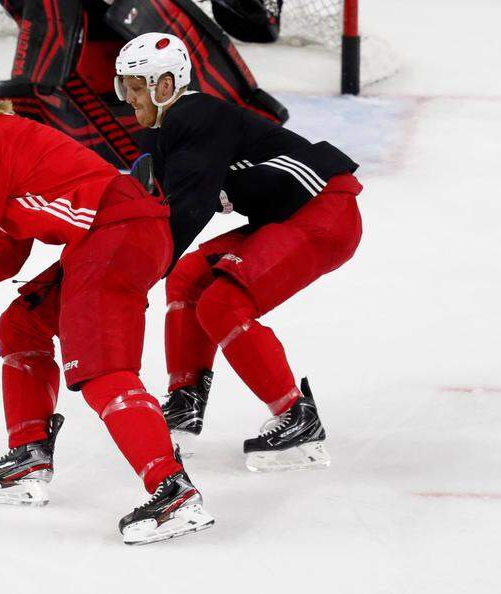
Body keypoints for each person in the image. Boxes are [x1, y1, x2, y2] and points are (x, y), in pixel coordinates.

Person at [0, 58, 214, 544]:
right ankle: (28, 459)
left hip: (115, 234)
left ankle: (173, 493)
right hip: (120, 231)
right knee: (22, 323)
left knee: (101, 367)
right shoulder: (5, 138)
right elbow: (2, 249)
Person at [114, 33, 363, 472]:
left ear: (167, 85)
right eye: (126, 88)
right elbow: (153, 211)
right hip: (287, 214)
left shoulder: (195, 116)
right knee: (189, 276)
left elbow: (188, 210)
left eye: (137, 88)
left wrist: (130, 278)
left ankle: (295, 415)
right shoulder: (160, 134)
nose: (129, 98)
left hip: (326, 210)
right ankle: (185, 399)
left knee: (223, 302)